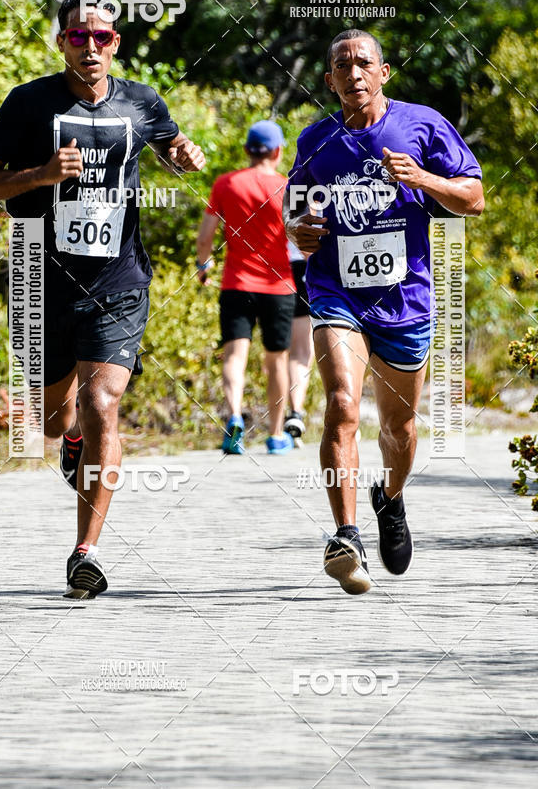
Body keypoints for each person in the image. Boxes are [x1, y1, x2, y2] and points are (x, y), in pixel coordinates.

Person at [0, 0, 205, 598]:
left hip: (118, 279)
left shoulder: (141, 102)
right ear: (61, 43)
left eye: (102, 37)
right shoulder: (28, 103)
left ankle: (87, 552)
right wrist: (41, 176)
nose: (91, 46)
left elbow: (172, 149)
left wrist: (183, 156)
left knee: (104, 402)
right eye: (79, 36)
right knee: (53, 422)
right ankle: (69, 438)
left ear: (116, 44)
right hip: (39, 275)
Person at [284, 29, 483, 595]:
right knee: (343, 403)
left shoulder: (421, 125)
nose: (353, 73)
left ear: (384, 71)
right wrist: (298, 229)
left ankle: (389, 500)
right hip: (336, 292)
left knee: (399, 427)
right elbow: (293, 212)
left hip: (406, 298)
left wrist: (422, 179)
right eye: (342, 65)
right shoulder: (315, 140)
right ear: (329, 80)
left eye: (363, 62)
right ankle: (345, 535)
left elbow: (474, 198)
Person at [196, 120, 296, 455]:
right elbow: (304, 241)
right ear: (278, 151)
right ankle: (276, 434)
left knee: (235, 354)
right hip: (279, 285)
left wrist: (203, 264)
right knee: (276, 361)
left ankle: (235, 418)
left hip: (236, 284)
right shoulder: (287, 187)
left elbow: (206, 235)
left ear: (246, 151)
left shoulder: (227, 183)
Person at [283, 239, 314, 443]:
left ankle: (287, 419)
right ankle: (295, 413)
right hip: (306, 265)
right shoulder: (311, 204)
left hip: (277, 268)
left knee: (281, 352)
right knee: (302, 352)